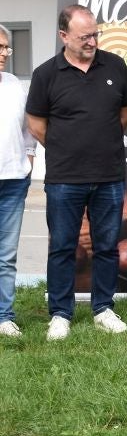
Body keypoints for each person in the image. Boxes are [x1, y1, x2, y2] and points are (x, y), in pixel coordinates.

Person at [25, 5, 127, 340]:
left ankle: (103, 308)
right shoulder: (46, 74)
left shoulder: (115, 65)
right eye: (85, 36)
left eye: (95, 34)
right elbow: (36, 125)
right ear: (63, 36)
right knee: (62, 246)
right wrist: (67, 149)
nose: (92, 41)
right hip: (64, 179)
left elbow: (125, 113)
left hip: (109, 176)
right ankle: (60, 314)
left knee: (106, 246)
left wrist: (99, 143)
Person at [0, 24, 36, 338]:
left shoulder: (14, 85)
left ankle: (4, 316)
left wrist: (29, 161)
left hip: (13, 181)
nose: (4, 54)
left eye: (6, 48)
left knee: (6, 255)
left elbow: (28, 130)